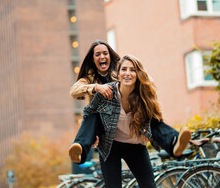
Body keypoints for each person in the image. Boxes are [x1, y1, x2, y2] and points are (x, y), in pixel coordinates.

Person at [68, 40, 190, 164]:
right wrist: (95, 87)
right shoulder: (88, 79)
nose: (102, 57)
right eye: (98, 54)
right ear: (93, 59)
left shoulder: (119, 74)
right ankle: (80, 150)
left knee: (149, 114)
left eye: (105, 53)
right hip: (104, 126)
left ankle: (174, 141)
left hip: (126, 119)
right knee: (93, 115)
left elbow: (146, 88)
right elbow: (74, 91)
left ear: (110, 56)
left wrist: (145, 128)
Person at [82, 54, 191, 188]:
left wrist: (148, 131)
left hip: (135, 147)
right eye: (124, 69)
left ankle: (174, 142)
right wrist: (92, 134)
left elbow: (156, 120)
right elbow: (89, 112)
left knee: (149, 186)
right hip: (111, 147)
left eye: (133, 70)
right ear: (118, 73)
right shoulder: (107, 92)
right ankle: (81, 144)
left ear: (138, 74)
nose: (128, 73)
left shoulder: (144, 94)